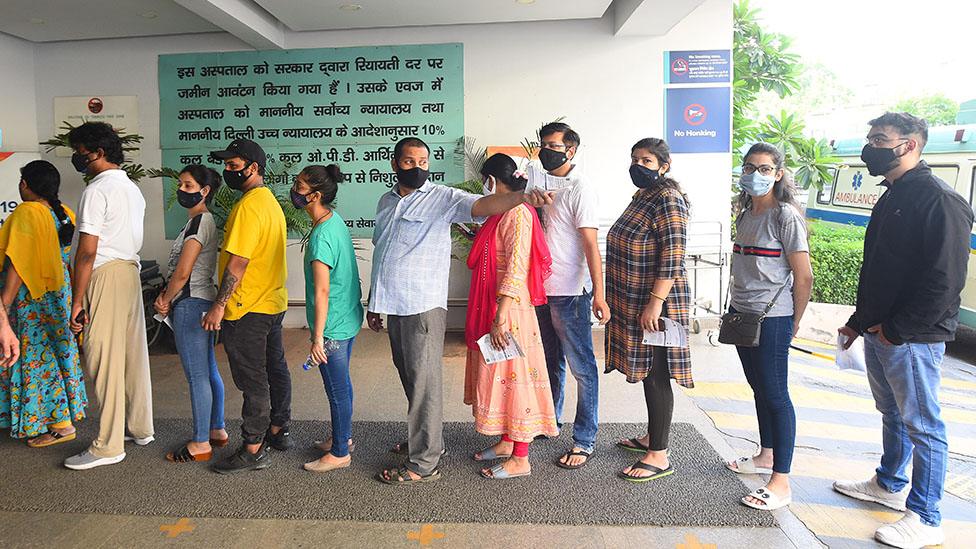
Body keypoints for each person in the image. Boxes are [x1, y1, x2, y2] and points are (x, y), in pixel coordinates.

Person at [368, 137, 553, 485]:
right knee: (410, 376)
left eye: (423, 161)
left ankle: (424, 461)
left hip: (422, 305)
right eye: (409, 161)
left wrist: (520, 197)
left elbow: (483, 205)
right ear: (394, 164)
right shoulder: (386, 201)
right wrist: (374, 304)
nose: (418, 167)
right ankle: (427, 440)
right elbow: (383, 253)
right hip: (392, 304)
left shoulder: (443, 197)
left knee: (424, 381)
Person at [833, 113, 973, 549]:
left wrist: (896, 330)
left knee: (923, 425)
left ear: (910, 145)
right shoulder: (894, 193)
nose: (870, 146)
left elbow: (945, 281)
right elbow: (881, 269)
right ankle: (889, 481)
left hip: (911, 337)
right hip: (881, 331)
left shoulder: (939, 200)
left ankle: (927, 516)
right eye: (870, 137)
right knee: (892, 413)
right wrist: (859, 322)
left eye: (880, 139)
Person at [723, 142, 812, 511]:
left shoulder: (785, 216)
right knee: (759, 387)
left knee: (776, 394)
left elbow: (803, 275)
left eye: (763, 168)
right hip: (744, 314)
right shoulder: (746, 212)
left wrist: (794, 322)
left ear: (778, 174)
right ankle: (765, 456)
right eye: (748, 167)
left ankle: (781, 481)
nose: (754, 174)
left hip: (772, 317)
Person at [463, 153, 560, 480]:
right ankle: (508, 441)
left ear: (493, 181)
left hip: (510, 309)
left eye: (484, 181)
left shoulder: (517, 213)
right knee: (503, 376)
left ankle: (521, 457)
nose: (483, 187)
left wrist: (501, 315)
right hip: (498, 303)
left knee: (515, 378)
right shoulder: (501, 211)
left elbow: (517, 268)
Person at [65, 122, 154, 470]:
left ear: (98, 153)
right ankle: (139, 427)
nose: (78, 158)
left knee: (103, 358)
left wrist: (77, 299)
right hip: (129, 273)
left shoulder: (96, 190)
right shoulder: (133, 189)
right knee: (133, 355)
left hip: (102, 275)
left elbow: (87, 251)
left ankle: (108, 446)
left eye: (80, 152)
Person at [605, 138, 692, 482]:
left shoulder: (669, 199)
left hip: (660, 302)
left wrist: (655, 303)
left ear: (664, 166)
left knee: (657, 373)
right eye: (635, 158)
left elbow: (673, 254)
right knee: (647, 370)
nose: (639, 165)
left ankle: (659, 454)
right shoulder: (645, 196)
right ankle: (651, 437)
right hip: (638, 299)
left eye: (647, 160)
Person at [203, 138, 291, 474]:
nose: (227, 171)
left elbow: (237, 263)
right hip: (271, 302)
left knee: (252, 379)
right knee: (274, 369)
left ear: (253, 168)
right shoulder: (269, 203)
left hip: (246, 306)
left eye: (233, 165)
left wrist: (219, 305)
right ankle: (277, 430)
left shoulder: (248, 207)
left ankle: (253, 447)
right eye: (226, 165)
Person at [527, 121, 609, 470]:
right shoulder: (538, 179)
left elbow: (591, 244)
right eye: (543, 143)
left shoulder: (580, 188)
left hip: (571, 291)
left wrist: (599, 295)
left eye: (553, 145)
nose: (546, 149)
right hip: (541, 290)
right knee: (549, 361)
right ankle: (551, 419)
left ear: (570, 150)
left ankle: (585, 439)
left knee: (582, 368)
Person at [0, 160, 87, 447]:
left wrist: (5, 304)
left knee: (31, 356)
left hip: (32, 300)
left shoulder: (27, 212)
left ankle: (56, 424)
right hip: (59, 296)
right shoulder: (65, 215)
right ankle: (61, 421)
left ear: (25, 184)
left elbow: (17, 263)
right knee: (56, 354)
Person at [291, 164, 363, 473]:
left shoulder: (321, 237)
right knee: (342, 384)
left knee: (336, 389)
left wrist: (317, 337)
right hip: (346, 317)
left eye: (298, 187)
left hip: (332, 325)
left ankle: (339, 452)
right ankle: (342, 438)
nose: (293, 191)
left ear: (316, 195)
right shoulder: (335, 222)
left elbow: (322, 291)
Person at [153, 165, 228, 463]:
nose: (182, 191)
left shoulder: (200, 223)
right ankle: (217, 429)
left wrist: (165, 299)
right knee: (208, 370)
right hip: (201, 301)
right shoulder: (198, 222)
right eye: (181, 185)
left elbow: (183, 271)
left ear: (204, 191)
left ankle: (200, 442)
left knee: (197, 375)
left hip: (190, 303)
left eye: (187, 185)